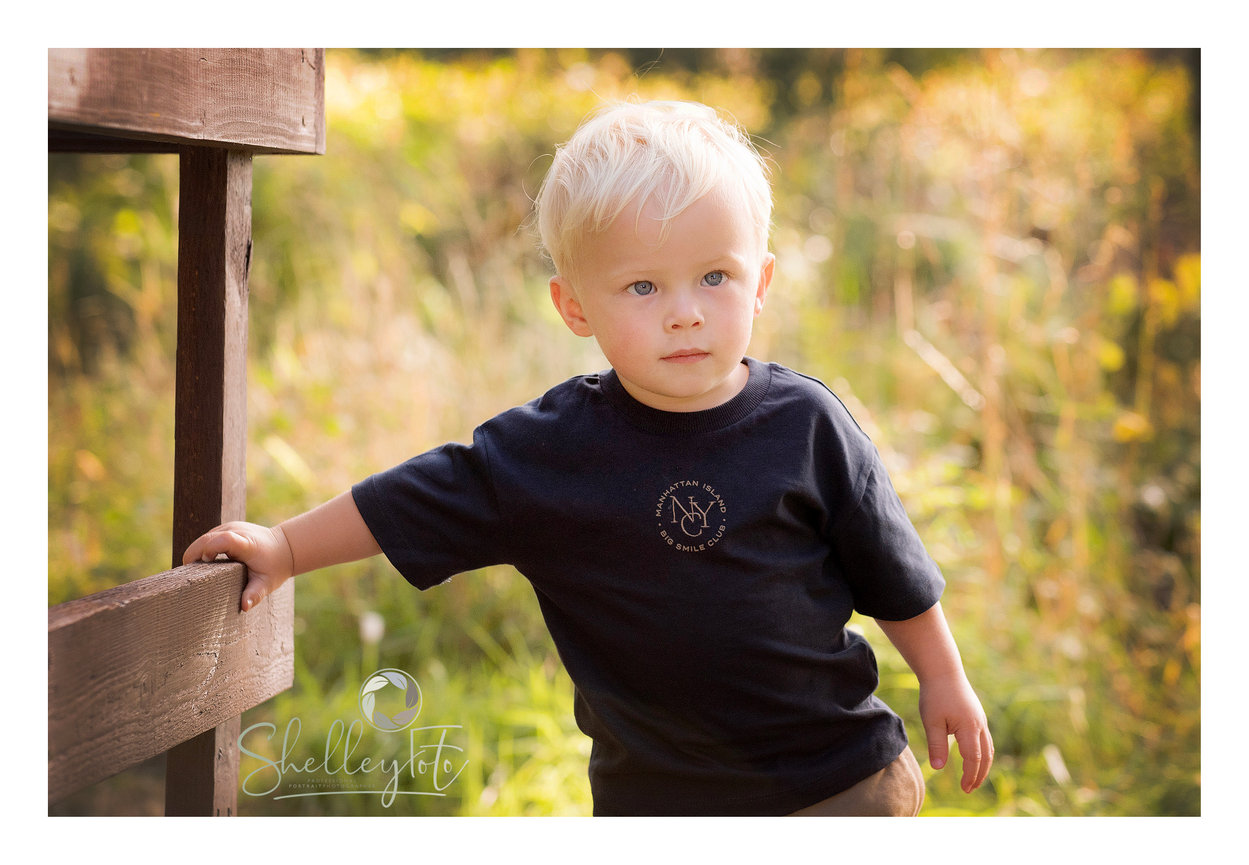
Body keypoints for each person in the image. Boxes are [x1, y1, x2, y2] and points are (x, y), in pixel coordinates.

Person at [183, 100, 993, 816]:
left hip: (836, 782)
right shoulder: (549, 450)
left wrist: (944, 678)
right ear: (574, 305)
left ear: (760, 282)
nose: (684, 315)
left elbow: (893, 570)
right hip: (659, 801)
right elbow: (412, 499)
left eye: (714, 277)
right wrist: (286, 547)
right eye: (643, 287)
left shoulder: (805, 424)